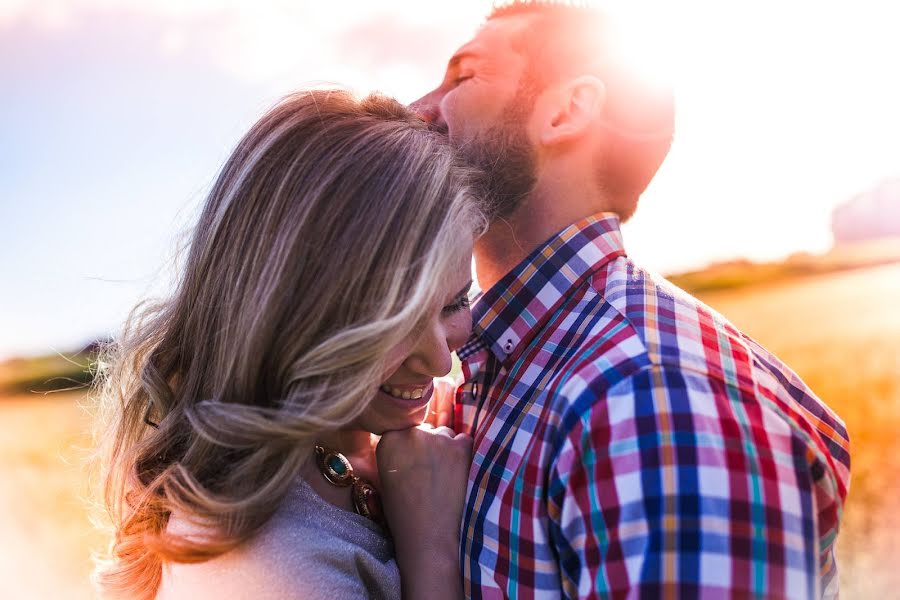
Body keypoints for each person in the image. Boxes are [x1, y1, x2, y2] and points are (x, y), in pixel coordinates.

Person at [412, 2, 851, 598]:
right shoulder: (498, 365)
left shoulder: (654, 402)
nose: (418, 109)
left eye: (464, 76)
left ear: (566, 111)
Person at [92, 89, 485, 600]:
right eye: (394, 324)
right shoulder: (260, 566)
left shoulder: (360, 444)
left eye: (455, 303)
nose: (440, 360)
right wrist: (431, 554)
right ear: (291, 316)